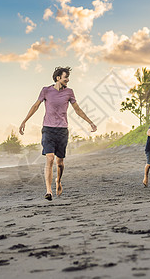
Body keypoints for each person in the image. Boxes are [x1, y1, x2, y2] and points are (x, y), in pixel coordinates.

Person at [19, 66, 97, 201]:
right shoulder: (46, 91)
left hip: (62, 131)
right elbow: (35, 106)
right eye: (65, 77)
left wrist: (90, 122)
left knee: (59, 162)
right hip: (48, 129)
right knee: (49, 158)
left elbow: (77, 109)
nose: (68, 79)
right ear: (58, 78)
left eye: (68, 77)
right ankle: (48, 191)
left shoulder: (69, 92)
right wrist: (24, 121)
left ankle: (58, 181)